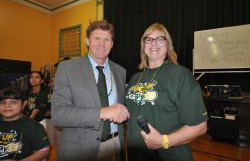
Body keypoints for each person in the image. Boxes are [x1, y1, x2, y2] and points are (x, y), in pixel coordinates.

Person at [125, 23, 208, 161]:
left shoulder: (180, 75)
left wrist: (164, 141)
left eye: (160, 39)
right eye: (149, 39)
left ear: (168, 44)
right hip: (137, 156)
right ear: (143, 45)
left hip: (170, 155)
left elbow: (200, 126)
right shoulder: (134, 79)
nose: (154, 43)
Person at [52, 20, 130, 161]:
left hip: (114, 146)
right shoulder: (67, 68)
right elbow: (58, 114)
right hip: (79, 149)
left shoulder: (120, 71)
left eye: (107, 39)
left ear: (112, 44)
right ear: (87, 40)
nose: (102, 43)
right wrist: (102, 112)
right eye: (97, 38)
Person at [0, 87, 50, 160]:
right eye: (3, 102)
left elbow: (44, 150)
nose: (7, 106)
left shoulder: (33, 126)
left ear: (24, 104)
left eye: (13, 102)